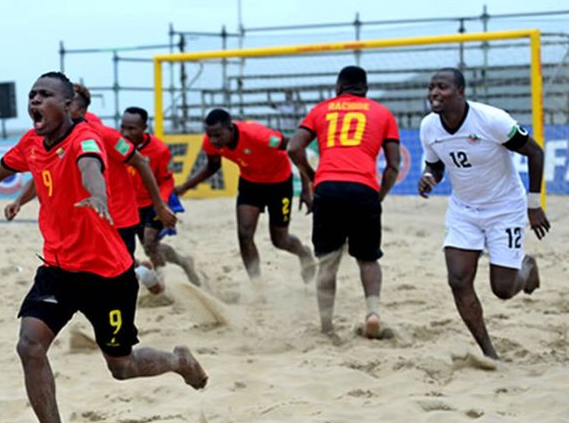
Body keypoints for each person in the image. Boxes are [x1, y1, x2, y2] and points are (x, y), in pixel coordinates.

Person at [0, 72, 208, 423]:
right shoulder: (32, 141)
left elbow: (92, 164)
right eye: (32, 95)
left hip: (107, 275)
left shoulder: (87, 138)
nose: (34, 101)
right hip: (59, 271)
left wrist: (98, 193)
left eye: (44, 95)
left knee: (122, 367)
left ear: (68, 105)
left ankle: (177, 361)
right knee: (29, 345)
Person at [417, 67, 550, 360]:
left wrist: (534, 204)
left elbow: (536, 153)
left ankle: (526, 268)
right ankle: (490, 353)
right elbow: (436, 165)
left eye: (442, 87)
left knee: (502, 289)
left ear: (461, 92)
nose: (434, 93)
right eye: (431, 87)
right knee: (458, 280)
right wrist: (429, 177)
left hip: (505, 208)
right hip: (464, 210)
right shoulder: (429, 127)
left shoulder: (492, 120)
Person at [5, 84, 182, 292]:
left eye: (65, 104)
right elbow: (40, 176)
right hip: (88, 218)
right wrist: (19, 201)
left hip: (120, 215)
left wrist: (160, 205)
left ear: (77, 109)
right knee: (103, 268)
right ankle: (142, 271)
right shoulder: (55, 138)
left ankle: (160, 282)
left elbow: (141, 162)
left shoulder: (103, 135)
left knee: (124, 271)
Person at [287, 66, 401, 338]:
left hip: (328, 187)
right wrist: (379, 196)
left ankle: (327, 326)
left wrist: (312, 176)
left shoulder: (321, 109)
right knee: (368, 259)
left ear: (338, 88)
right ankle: (372, 312)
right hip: (363, 188)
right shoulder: (382, 113)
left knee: (327, 262)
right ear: (366, 89)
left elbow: (293, 148)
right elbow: (393, 167)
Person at [175, 109, 315, 282]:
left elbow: (296, 148)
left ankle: (304, 253)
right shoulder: (211, 142)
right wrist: (185, 187)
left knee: (280, 240)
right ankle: (256, 285)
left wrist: (306, 188)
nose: (213, 140)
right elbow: (212, 166)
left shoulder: (258, 135)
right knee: (244, 234)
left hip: (279, 184)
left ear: (230, 129)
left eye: (218, 135)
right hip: (250, 184)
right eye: (209, 135)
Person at [121, 106, 201, 286]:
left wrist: (162, 204)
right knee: (148, 248)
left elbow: (166, 180)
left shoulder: (158, 150)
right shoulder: (117, 145)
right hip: (129, 206)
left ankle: (162, 283)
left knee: (150, 242)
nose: (125, 133)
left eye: (132, 128)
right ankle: (183, 262)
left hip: (153, 203)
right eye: (123, 127)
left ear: (144, 128)